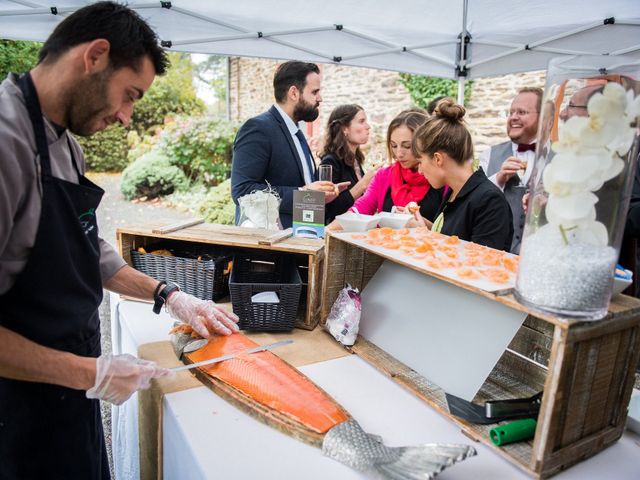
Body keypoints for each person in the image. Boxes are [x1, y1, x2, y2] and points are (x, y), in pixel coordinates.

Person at [0, 3, 239, 479]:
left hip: (69, 396)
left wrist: (171, 296)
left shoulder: (65, 143)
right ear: (95, 56)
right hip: (18, 413)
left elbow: (89, 252)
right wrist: (91, 374)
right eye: (130, 95)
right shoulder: (6, 142)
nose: (128, 117)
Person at [231, 61, 345, 228]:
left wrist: (319, 196)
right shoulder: (258, 128)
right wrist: (304, 194)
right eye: (314, 92)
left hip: (303, 237)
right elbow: (242, 192)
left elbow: (303, 186)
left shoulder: (296, 131)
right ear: (294, 93)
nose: (320, 98)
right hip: (272, 243)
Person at [412, 98, 513, 251]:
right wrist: (425, 226)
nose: (419, 170)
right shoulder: (454, 191)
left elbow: (479, 265)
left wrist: (425, 236)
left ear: (438, 159)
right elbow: (454, 238)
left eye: (420, 161)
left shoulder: (489, 201)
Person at [337, 108, 444, 221]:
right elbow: (360, 209)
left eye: (407, 146)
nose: (399, 154)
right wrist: (327, 231)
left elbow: (449, 230)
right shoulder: (384, 175)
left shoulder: (441, 178)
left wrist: (424, 226)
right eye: (393, 146)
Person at [479, 87, 543, 253]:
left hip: (538, 255)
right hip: (496, 252)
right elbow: (476, 200)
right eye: (511, 112)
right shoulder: (489, 154)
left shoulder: (558, 157)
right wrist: (499, 178)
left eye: (521, 112)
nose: (513, 117)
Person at [319, 104, 380, 223]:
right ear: (344, 129)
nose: (368, 126)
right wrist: (363, 184)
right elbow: (330, 210)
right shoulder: (330, 162)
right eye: (361, 121)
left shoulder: (355, 160)